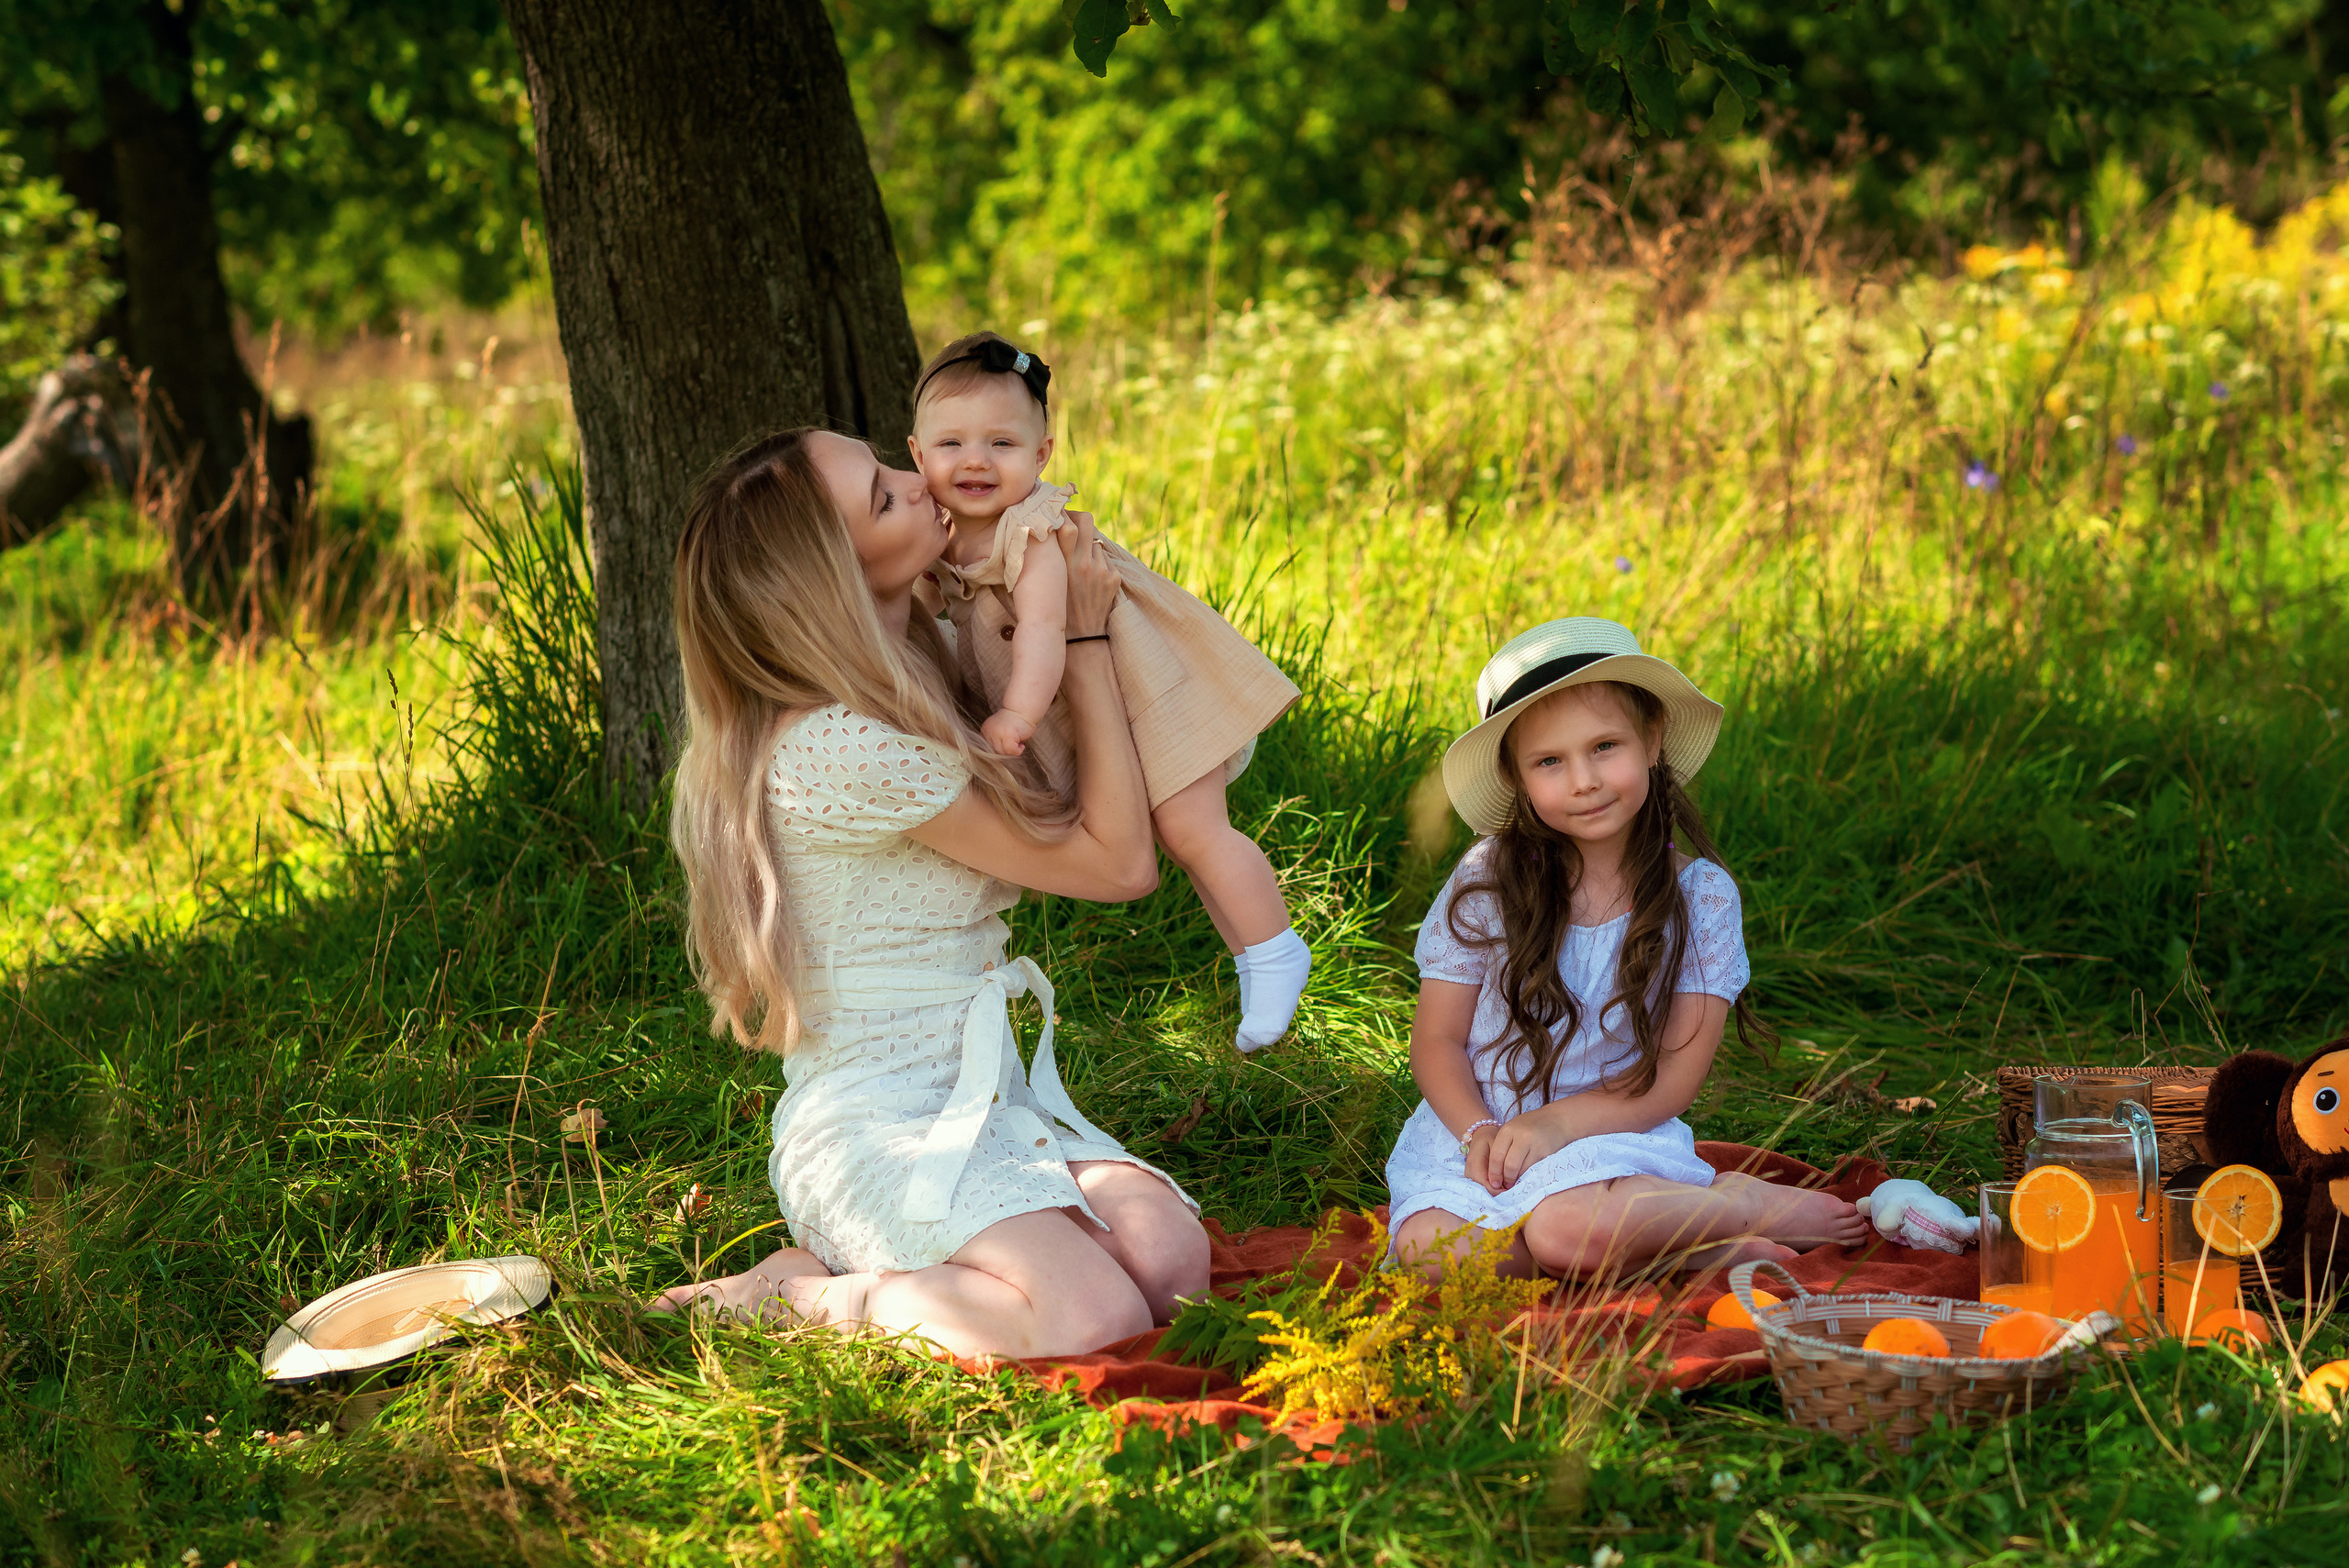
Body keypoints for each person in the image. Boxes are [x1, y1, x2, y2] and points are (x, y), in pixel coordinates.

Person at [651, 427, 1209, 1359]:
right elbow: (1119, 867)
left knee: (1170, 1262)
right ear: (828, 576)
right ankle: (795, 1294)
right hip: (872, 1121)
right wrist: (1077, 637)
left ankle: (918, 1267)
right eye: (883, 495)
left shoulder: (910, 671)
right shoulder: (837, 748)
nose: (923, 483)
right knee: (1090, 1318)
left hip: (982, 1098)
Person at [1386, 617, 1867, 1280]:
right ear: (1517, 775)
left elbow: (1673, 1076)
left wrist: (1558, 1125)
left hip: (1611, 1137)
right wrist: (1478, 1131)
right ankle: (1681, 1249)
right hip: (1484, 1137)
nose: (1582, 779)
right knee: (1433, 1258)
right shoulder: (1487, 880)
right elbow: (1436, 1040)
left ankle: (1735, 1204)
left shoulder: (1701, 899)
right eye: (1549, 761)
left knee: (1560, 1228)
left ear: (1651, 738)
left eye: (1604, 745)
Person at [907, 331, 1311, 1052]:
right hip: (1103, 706)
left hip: (1151, 689)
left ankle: (1278, 950)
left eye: (1001, 443)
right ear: (916, 455)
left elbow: (1039, 628)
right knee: (1180, 839)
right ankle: (1255, 962)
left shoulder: (1033, 532)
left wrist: (1018, 712)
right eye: (952, 445)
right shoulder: (941, 539)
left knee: (1196, 830)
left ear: (1042, 456)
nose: (974, 461)